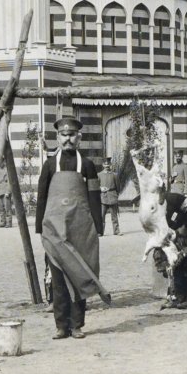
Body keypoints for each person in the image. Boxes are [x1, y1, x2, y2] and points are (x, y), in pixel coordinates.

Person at [35, 116, 109, 340]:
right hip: (55, 230)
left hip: (81, 229)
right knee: (58, 279)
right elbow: (42, 197)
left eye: (72, 135)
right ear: (58, 137)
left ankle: (77, 325)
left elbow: (94, 196)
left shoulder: (87, 165)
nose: (68, 139)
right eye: (63, 135)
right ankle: (60, 326)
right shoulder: (49, 165)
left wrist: (98, 225)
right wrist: (40, 227)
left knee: (80, 275)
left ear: (79, 137)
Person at [98, 160, 121, 235]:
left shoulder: (115, 175)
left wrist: (116, 195)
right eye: (105, 165)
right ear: (103, 165)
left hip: (112, 196)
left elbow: (118, 187)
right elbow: (96, 186)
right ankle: (100, 232)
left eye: (108, 165)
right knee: (101, 216)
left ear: (110, 165)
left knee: (114, 216)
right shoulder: (99, 175)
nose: (107, 166)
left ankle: (116, 231)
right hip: (103, 197)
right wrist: (100, 188)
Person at [0, 163, 13, 228]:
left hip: (5, 190)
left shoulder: (7, 170)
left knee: (7, 208)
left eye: (1, 161)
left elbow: (9, 181)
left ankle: (9, 223)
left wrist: (8, 191)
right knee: (0, 208)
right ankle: (2, 222)